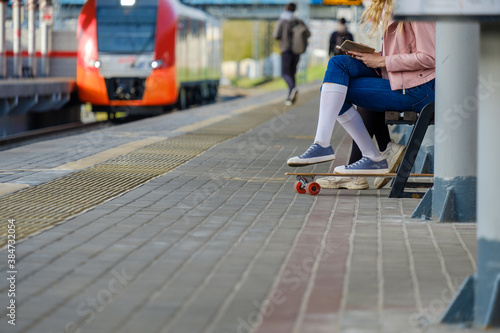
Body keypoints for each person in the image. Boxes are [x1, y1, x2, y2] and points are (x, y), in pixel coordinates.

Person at [286, 0, 435, 177]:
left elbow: (430, 57)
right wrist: (374, 56)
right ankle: (324, 144)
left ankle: (369, 156)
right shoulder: (396, 7)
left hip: (418, 90)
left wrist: (382, 61)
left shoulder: (416, 6)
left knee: (334, 92)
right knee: (336, 67)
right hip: (401, 80)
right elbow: (406, 52)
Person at [273, 2, 311, 106]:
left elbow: (276, 35)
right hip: (297, 51)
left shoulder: (282, 20)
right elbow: (308, 33)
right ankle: (289, 98)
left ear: (286, 9)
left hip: (286, 50)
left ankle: (293, 88)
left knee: (285, 73)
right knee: (292, 73)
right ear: (294, 10)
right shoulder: (298, 21)